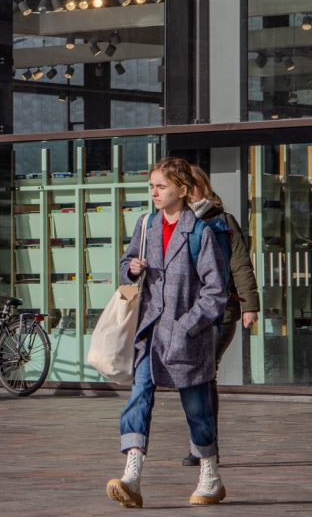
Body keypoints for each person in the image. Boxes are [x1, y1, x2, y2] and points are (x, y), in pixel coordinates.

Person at [107, 157, 229, 508]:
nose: (154, 192)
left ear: (183, 190)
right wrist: (130, 268)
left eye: (161, 186)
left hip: (187, 335)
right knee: (139, 397)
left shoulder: (201, 232)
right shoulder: (145, 225)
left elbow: (215, 291)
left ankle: (210, 474)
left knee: (196, 406)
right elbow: (124, 267)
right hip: (149, 331)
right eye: (152, 186)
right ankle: (131, 475)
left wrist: (187, 326)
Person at [179, 165, 260, 466]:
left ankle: (204, 447)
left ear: (200, 187)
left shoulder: (223, 222)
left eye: (189, 187)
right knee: (193, 377)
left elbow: (240, 264)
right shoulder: (174, 223)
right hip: (187, 315)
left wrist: (250, 305)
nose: (185, 195)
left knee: (203, 373)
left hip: (219, 312)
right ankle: (201, 444)